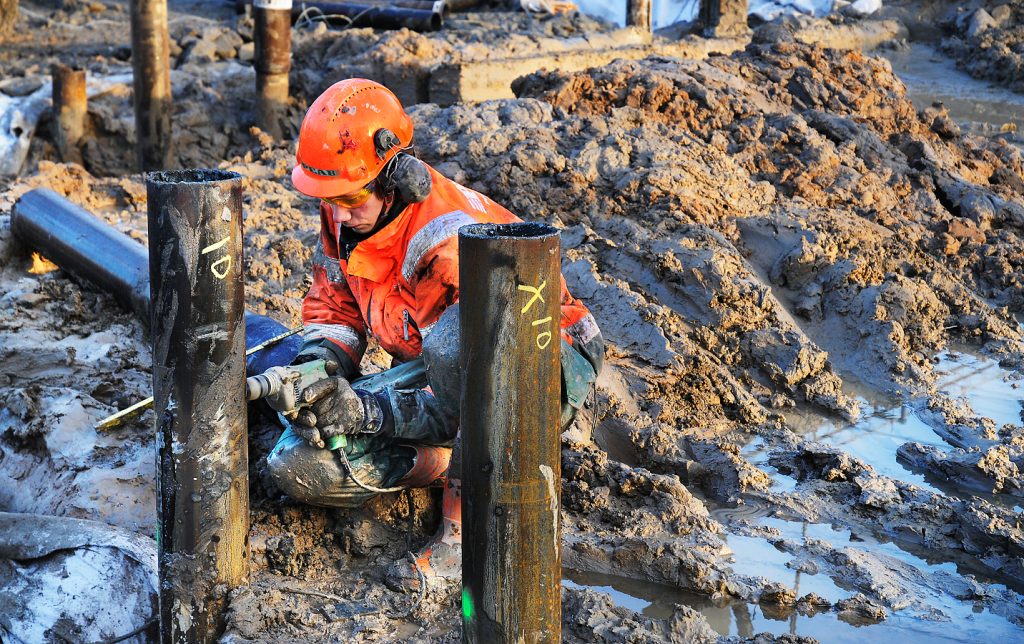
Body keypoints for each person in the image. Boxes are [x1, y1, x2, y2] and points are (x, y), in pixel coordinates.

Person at [265, 78, 604, 589]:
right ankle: (446, 459)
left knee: (449, 349)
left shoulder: (447, 248)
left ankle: (465, 528)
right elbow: (335, 305)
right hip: (445, 373)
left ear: (395, 175)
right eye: (327, 197)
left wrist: (365, 413)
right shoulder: (346, 213)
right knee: (298, 465)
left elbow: (472, 382)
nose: (337, 211)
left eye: (350, 196)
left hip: (537, 365)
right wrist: (318, 370)